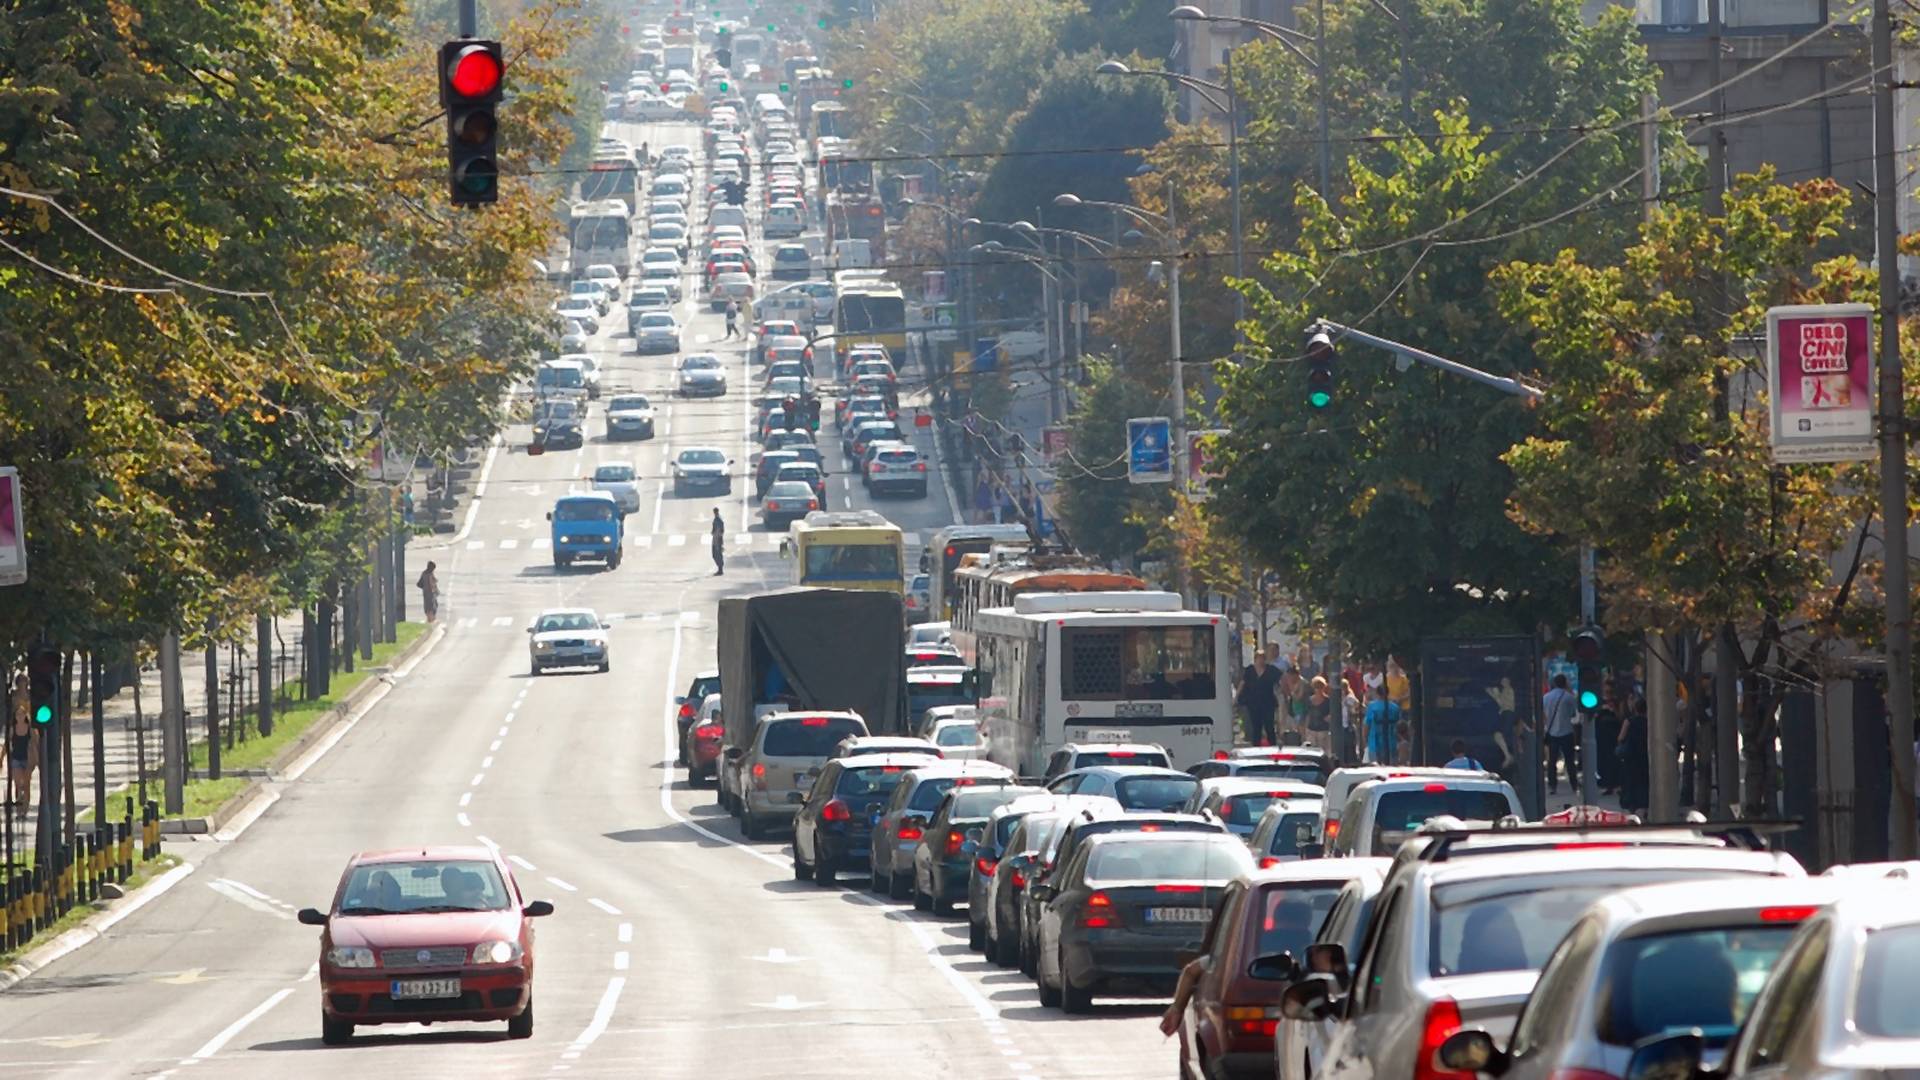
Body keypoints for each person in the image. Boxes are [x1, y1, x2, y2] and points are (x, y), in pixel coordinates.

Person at [1542, 673, 1579, 795]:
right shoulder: (1569, 697)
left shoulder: (1546, 697)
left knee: (1552, 761)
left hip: (1551, 733)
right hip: (1566, 732)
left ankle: (1553, 786)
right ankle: (1574, 785)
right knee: (1570, 761)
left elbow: (1543, 714)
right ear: (1565, 683)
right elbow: (1573, 714)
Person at [1236, 649, 1281, 747]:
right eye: (1258, 658)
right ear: (1255, 659)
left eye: (1262, 659)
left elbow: (1281, 681)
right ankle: (1256, 746)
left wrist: (1284, 694)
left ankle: (1272, 746)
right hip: (1253, 703)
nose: (1260, 661)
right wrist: (1236, 697)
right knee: (1256, 726)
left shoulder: (1271, 670)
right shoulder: (1250, 670)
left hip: (1268, 703)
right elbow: (1242, 683)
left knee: (1269, 726)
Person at [1618, 693, 1651, 815]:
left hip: (1631, 757)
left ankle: (1632, 805)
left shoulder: (1629, 721)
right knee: (1644, 781)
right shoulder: (1650, 722)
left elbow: (1621, 738)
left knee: (1631, 781)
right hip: (1645, 755)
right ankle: (1643, 805)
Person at [9, 673, 36, 814]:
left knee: (26, 781)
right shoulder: (14, 698)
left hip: (29, 730)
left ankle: (25, 805)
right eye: (20, 681)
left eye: (24, 681)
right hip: (17, 731)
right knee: (17, 782)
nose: (22, 684)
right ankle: (19, 807)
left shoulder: (30, 696)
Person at [1363, 683, 1401, 765]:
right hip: (1391, 743)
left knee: (1376, 770)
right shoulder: (1395, 708)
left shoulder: (1372, 707)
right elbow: (1399, 726)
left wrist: (1365, 739)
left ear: (1377, 693)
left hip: (1375, 744)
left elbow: (1367, 725)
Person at [710, 507, 726, 576]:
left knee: (717, 554)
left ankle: (720, 569)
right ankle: (720, 568)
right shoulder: (717, 519)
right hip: (716, 538)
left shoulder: (718, 519)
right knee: (715, 554)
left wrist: (719, 537)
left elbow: (721, 530)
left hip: (717, 539)